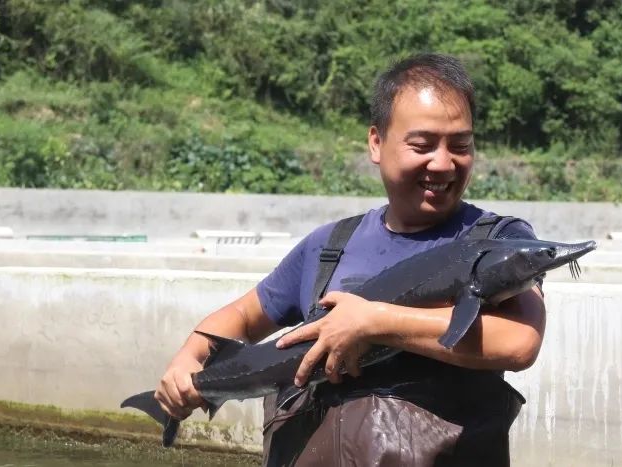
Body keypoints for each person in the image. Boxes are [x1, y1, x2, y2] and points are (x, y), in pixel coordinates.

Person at [154, 53, 546, 466]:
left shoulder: (500, 241)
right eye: (423, 145)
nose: (444, 162)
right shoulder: (329, 246)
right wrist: (189, 358)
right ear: (376, 143)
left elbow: (519, 343)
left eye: (461, 145)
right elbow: (244, 316)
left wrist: (372, 323)